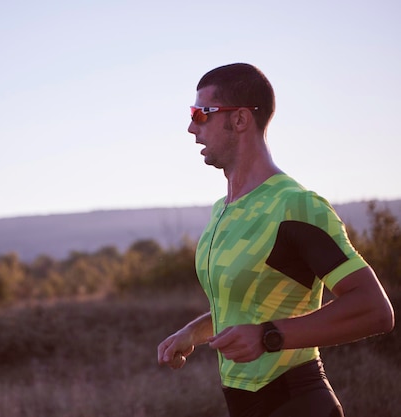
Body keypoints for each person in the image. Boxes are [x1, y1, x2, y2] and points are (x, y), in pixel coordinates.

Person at [157, 63, 395, 417]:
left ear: (239, 120)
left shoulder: (296, 205)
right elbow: (248, 304)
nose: (192, 128)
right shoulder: (223, 210)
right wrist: (195, 331)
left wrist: (270, 336)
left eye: (201, 114)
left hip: (297, 402)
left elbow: (375, 310)